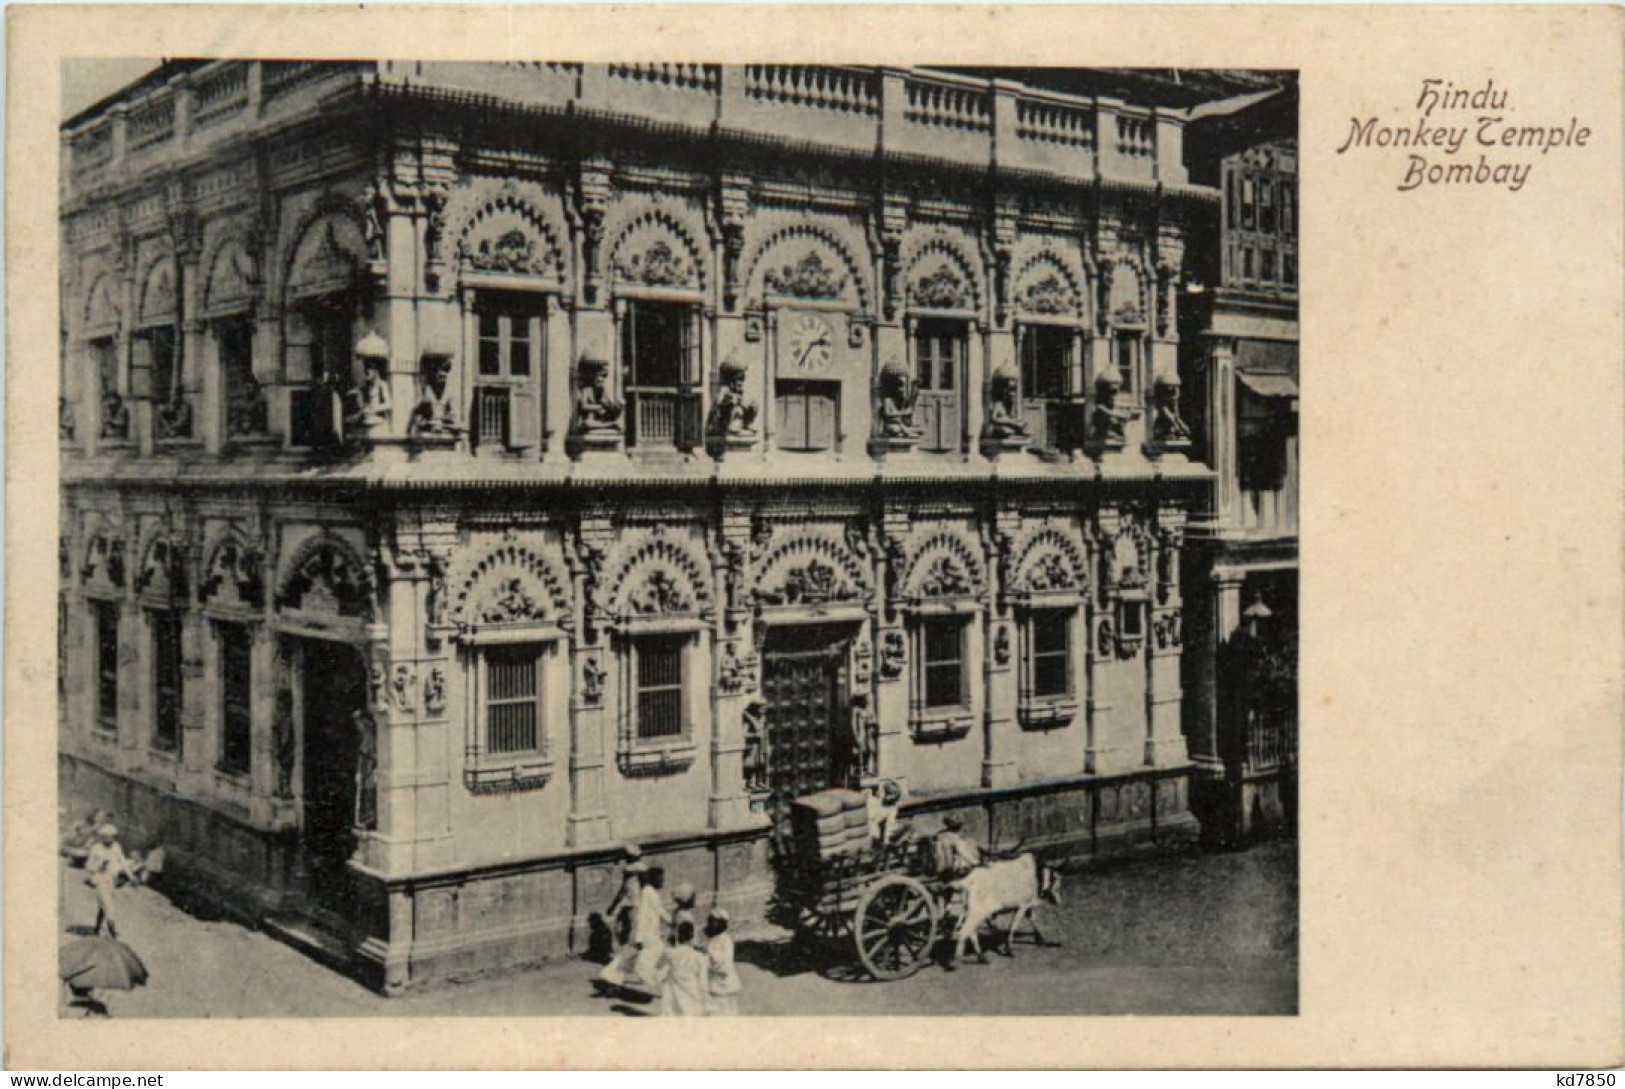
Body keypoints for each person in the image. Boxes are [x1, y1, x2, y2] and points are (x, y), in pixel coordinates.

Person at [85, 823, 141, 939]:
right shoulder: (96, 848)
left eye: (112, 837)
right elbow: (89, 866)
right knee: (108, 906)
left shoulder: (116, 847)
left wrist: (131, 877)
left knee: (103, 905)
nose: (110, 839)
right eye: (107, 837)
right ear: (102, 837)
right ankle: (113, 933)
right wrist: (98, 866)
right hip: (100, 879)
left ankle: (96, 929)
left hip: (111, 880)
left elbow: (123, 862)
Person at [656, 919, 708, 1017]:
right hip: (692, 996)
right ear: (692, 937)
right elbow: (703, 984)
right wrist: (705, 1004)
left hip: (674, 998)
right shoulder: (700, 957)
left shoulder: (670, 953)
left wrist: (668, 944)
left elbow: (658, 965)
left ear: (678, 935)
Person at [703, 908, 741, 1016]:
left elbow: (724, 967)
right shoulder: (712, 939)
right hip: (713, 986)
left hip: (725, 986)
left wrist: (710, 957)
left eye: (713, 921)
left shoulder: (726, 941)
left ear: (721, 924)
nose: (710, 924)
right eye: (709, 921)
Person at [933, 814, 984, 879]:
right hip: (954, 868)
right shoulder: (950, 837)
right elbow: (962, 851)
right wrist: (976, 863)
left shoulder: (941, 835)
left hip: (943, 868)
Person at [669, 881, 698, 946]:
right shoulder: (684, 916)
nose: (694, 900)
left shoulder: (677, 912)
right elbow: (689, 938)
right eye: (692, 898)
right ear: (686, 899)